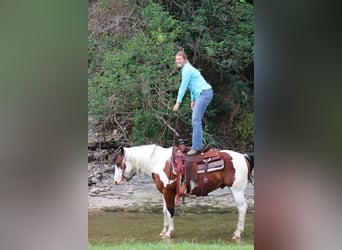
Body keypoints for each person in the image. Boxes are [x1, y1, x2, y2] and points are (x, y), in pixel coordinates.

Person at [172, 50, 213, 156]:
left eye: (180, 59)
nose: (178, 61)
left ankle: (197, 147)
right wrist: (192, 100)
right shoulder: (186, 69)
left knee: (195, 119)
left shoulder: (187, 70)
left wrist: (178, 103)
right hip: (201, 94)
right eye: (176, 59)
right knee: (195, 119)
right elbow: (192, 86)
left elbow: (184, 86)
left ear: (184, 59)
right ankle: (197, 145)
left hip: (204, 93)